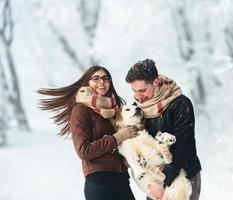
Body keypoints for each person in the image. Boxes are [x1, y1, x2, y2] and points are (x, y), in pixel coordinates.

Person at [38, 66, 139, 200]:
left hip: (122, 180)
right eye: (95, 78)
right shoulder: (80, 110)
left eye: (105, 78)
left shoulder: (116, 109)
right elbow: (84, 151)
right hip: (100, 184)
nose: (101, 82)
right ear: (87, 83)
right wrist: (118, 137)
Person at [125, 59, 202, 200]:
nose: (138, 96)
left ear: (155, 82)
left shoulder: (180, 104)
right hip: (154, 179)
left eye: (142, 90)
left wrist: (164, 182)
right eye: (134, 91)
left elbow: (183, 146)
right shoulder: (137, 109)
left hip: (183, 175)